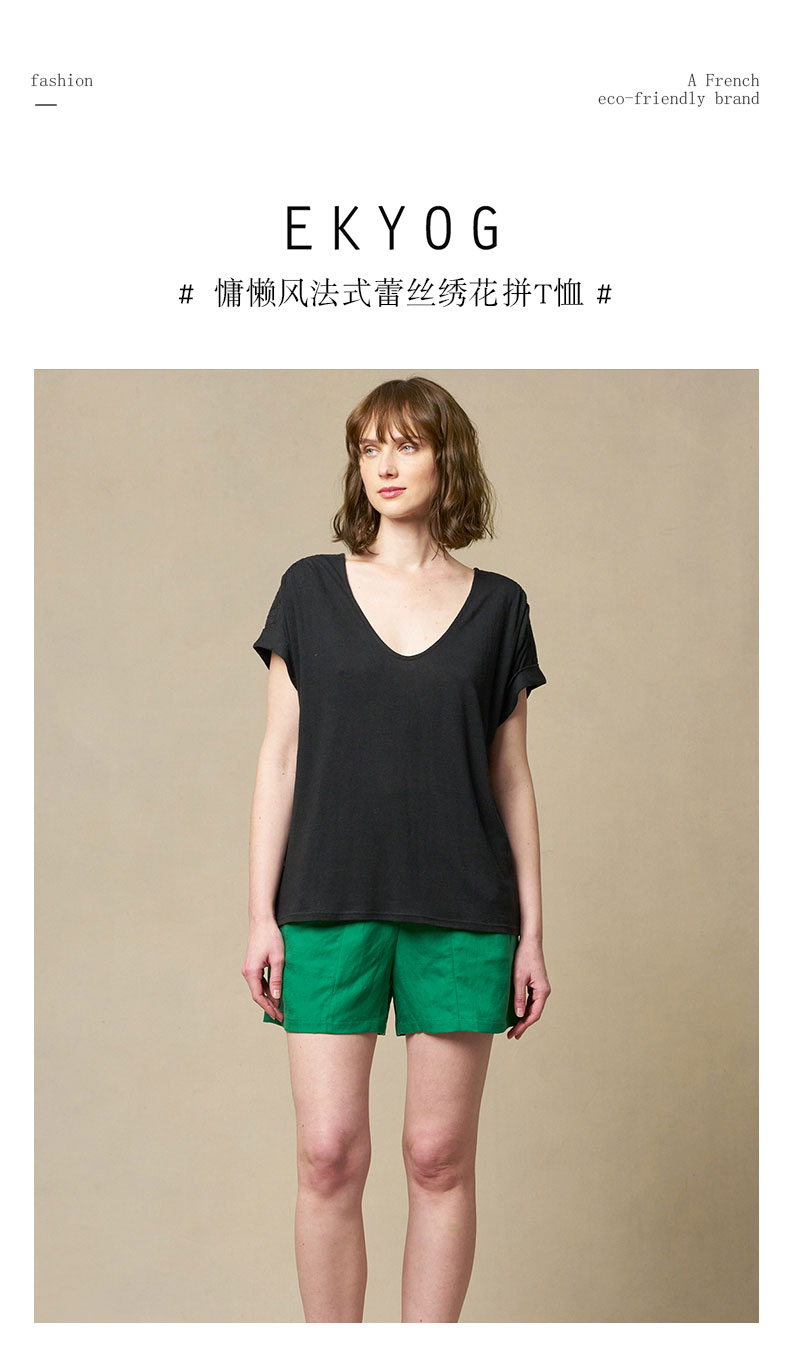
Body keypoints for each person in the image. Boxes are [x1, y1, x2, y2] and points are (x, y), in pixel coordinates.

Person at [242, 375, 550, 1323]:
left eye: (407, 444)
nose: (385, 464)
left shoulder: (499, 607)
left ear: (446, 459)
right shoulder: (308, 590)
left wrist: (533, 935)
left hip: (463, 911)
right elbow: (280, 757)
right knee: (329, 1153)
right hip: (325, 901)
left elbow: (511, 777)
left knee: (438, 1159)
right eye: (370, 446)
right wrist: (259, 916)